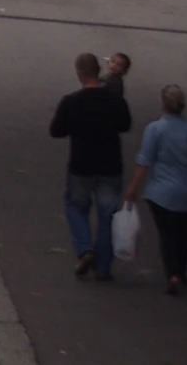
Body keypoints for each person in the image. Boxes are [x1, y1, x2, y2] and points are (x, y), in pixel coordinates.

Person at [48, 51, 132, 280]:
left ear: (79, 73)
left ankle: (85, 248)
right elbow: (126, 125)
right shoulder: (115, 101)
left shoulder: (71, 102)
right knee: (108, 215)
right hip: (110, 165)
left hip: (81, 164)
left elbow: (56, 131)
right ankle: (103, 267)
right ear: (98, 71)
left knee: (75, 206)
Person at [129, 82, 187, 294]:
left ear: (164, 104)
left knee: (166, 234)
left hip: (161, 192)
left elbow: (145, 161)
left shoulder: (155, 129)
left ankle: (172, 274)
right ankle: (182, 270)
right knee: (183, 232)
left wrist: (132, 188)